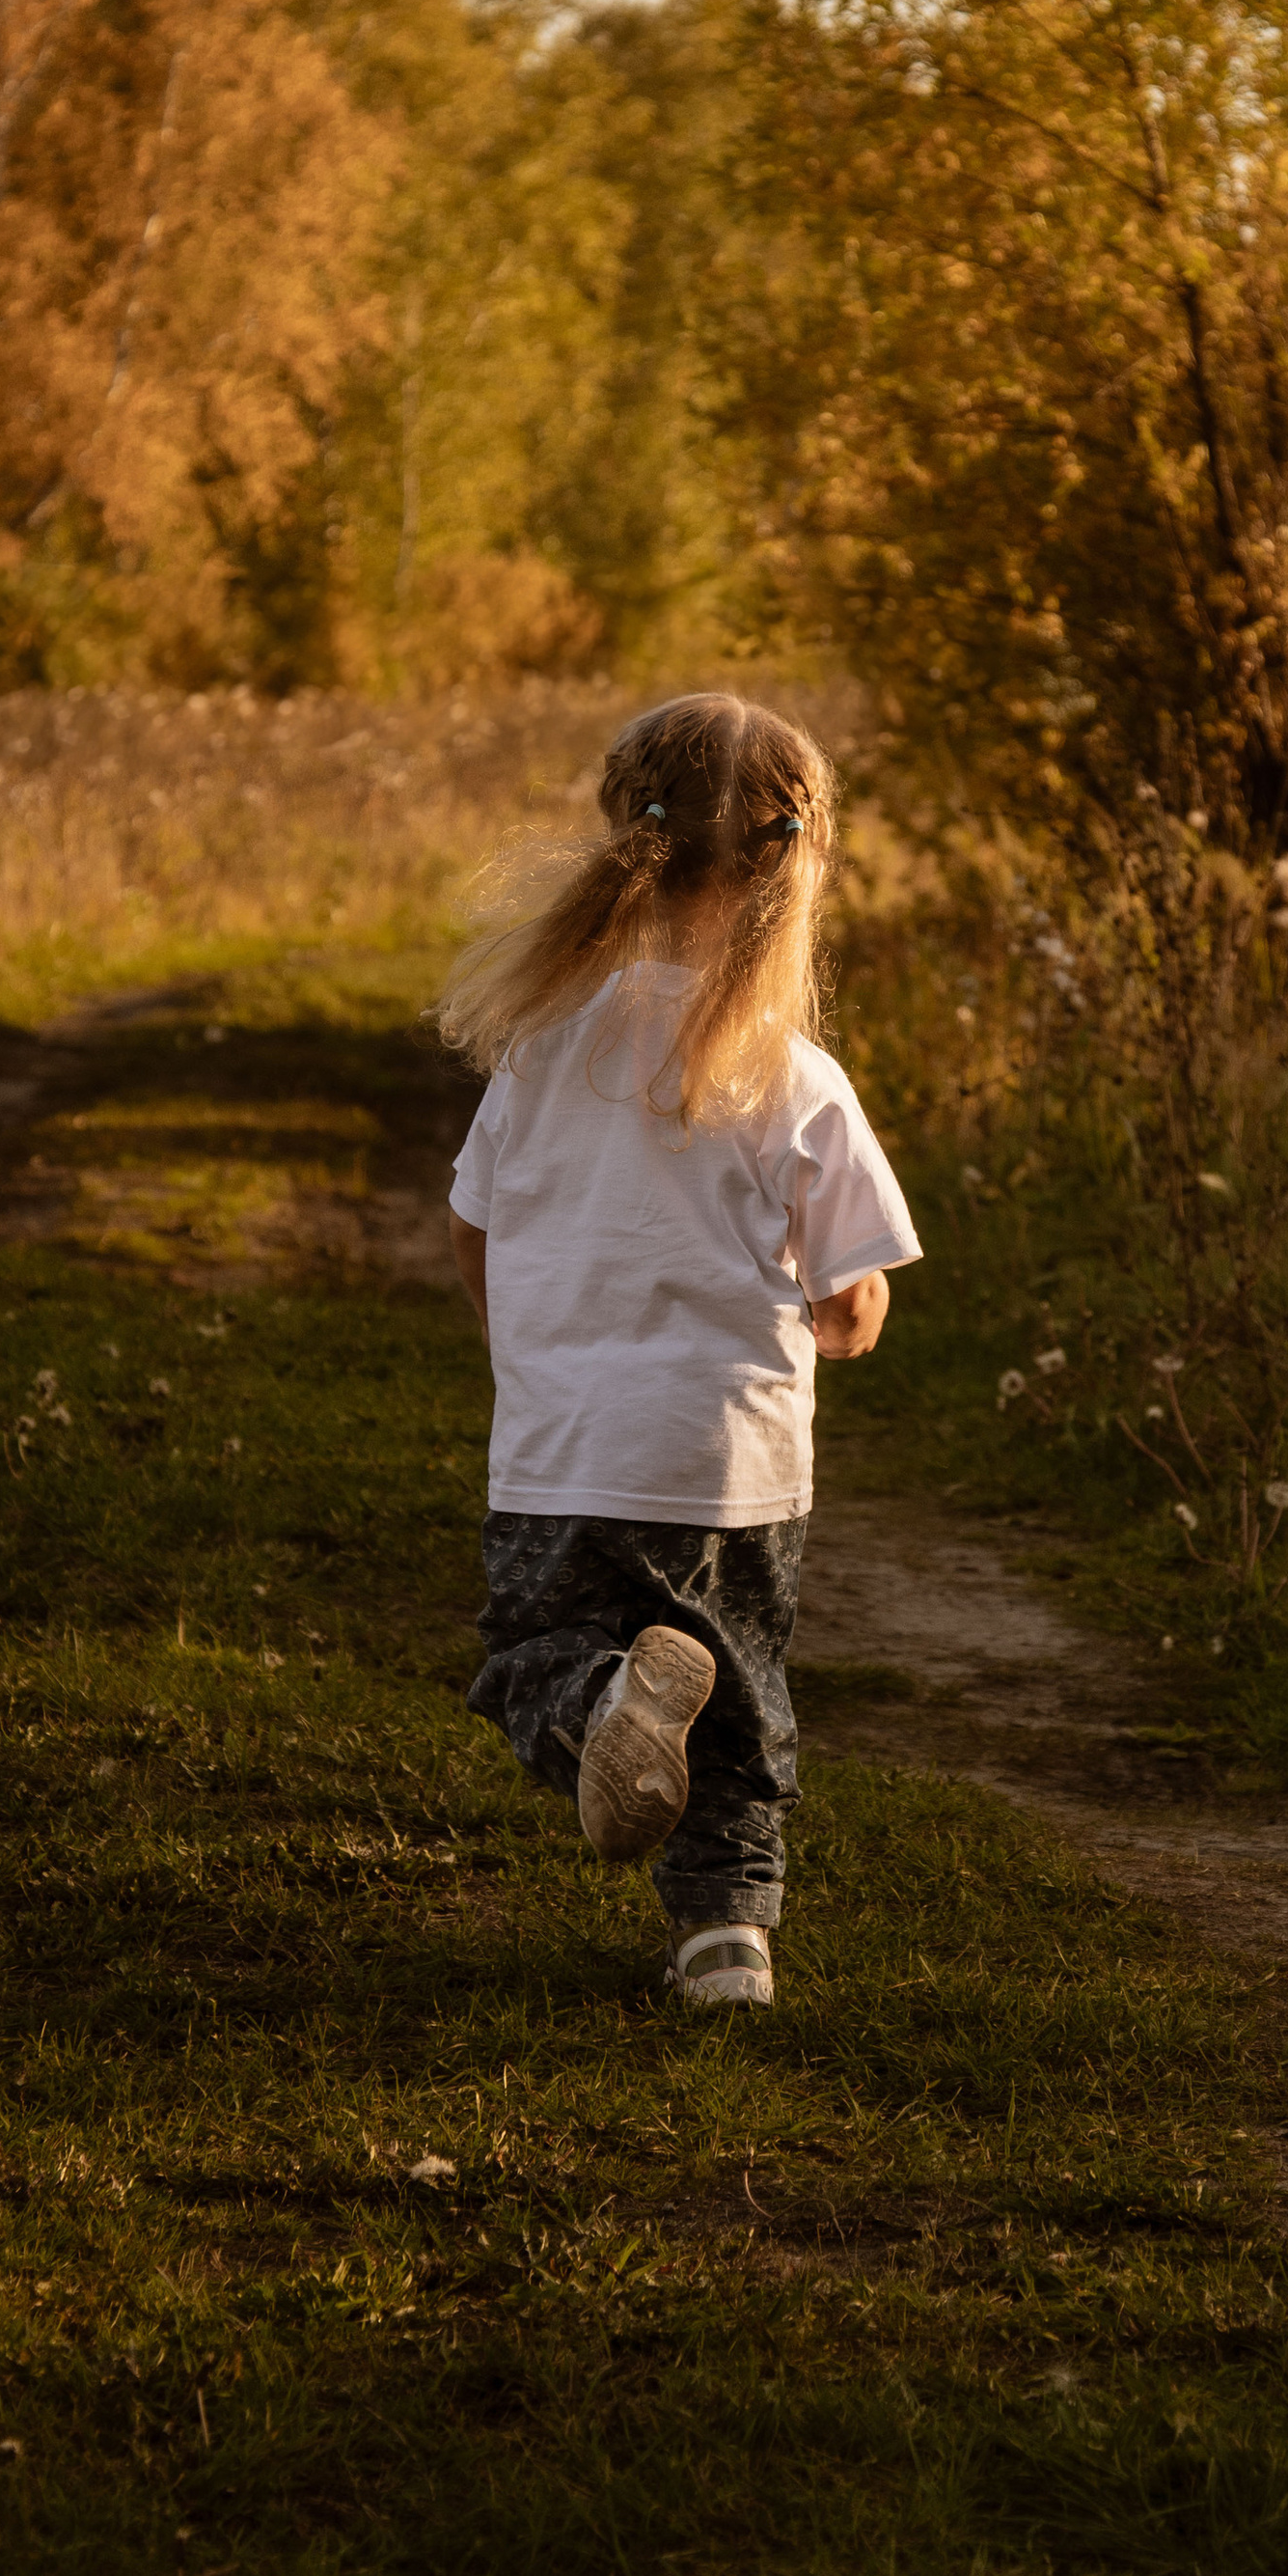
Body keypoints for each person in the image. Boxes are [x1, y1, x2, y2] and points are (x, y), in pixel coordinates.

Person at [437, 692, 919, 2010]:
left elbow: (477, 1228)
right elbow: (856, 1299)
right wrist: (835, 1323)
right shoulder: (795, 1076)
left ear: (623, 834)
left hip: (562, 1451)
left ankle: (598, 1710)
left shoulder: (538, 1051)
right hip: (731, 1468)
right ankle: (724, 1950)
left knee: (529, 1657)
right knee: (740, 1703)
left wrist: (524, 1344)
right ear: (792, 864)